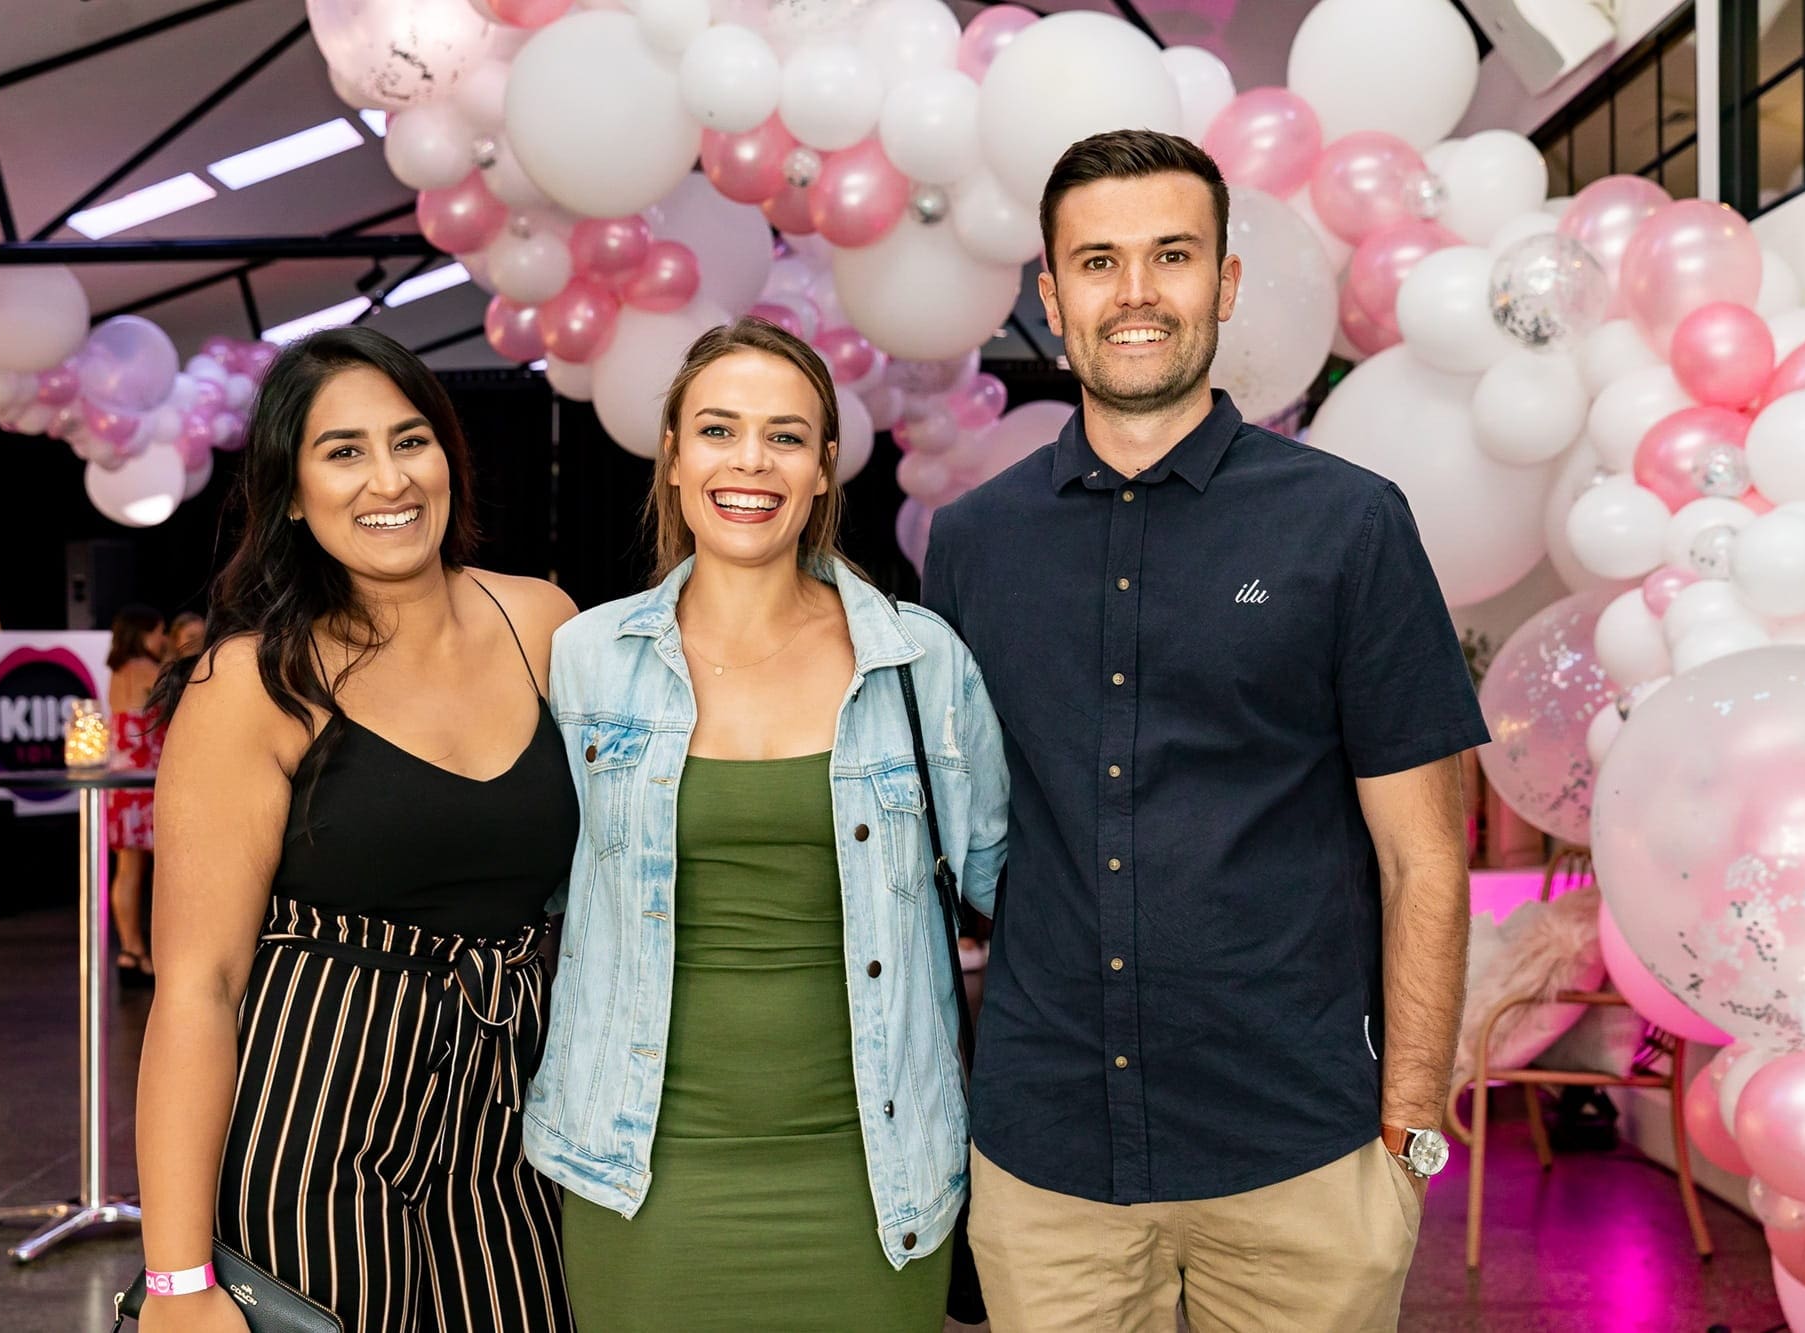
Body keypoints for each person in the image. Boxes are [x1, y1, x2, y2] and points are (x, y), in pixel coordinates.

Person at [921, 129, 1490, 1332]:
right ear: (1050, 296)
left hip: (1298, 1149)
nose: (1134, 293)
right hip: (1048, 1159)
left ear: (1224, 284)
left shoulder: (1346, 527)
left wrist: (1410, 1113)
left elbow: (1424, 855)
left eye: (1170, 256)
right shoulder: (973, 544)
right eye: (1097, 261)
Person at [524, 317, 1009, 1330]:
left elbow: (1019, 896)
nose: (750, 461)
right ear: (670, 455)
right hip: (639, 1178)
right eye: (717, 429)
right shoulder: (584, 662)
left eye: (785, 436)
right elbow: (525, 892)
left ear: (826, 469)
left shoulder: (918, 663)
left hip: (876, 1181)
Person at [133, 326, 578, 1333]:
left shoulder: (544, 623)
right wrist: (177, 1281)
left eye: (409, 439)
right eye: (343, 451)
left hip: (512, 1109)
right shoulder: (251, 684)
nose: (390, 478)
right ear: (290, 492)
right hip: (316, 1115)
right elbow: (197, 990)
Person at [106, 603, 168, 986]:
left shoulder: (116, 673)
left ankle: (131, 950)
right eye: (159, 632)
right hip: (150, 784)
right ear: (145, 634)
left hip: (120, 783)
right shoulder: (150, 671)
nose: (162, 640)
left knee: (127, 870)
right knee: (168, 872)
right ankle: (162, 957)